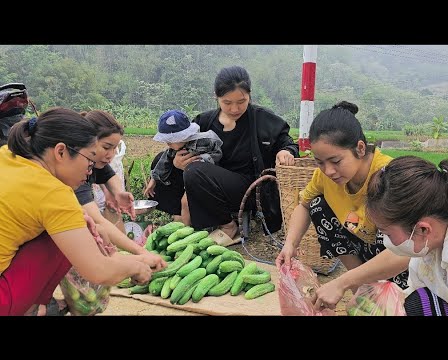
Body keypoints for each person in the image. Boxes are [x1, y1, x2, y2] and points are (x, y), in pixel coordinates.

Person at [0, 107, 154, 316]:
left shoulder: (8, 155)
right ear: (61, 151)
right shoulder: (54, 193)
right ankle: (32, 309)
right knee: (70, 236)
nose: (90, 171)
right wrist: (136, 266)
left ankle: (38, 306)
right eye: (89, 160)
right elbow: (98, 271)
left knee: (72, 228)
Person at [312, 156, 448, 316]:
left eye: (387, 233)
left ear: (423, 229)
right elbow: (418, 292)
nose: (386, 242)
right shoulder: (431, 239)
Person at [148, 65, 299, 241]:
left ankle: (227, 225)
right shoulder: (204, 121)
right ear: (216, 97)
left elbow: (288, 143)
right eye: (227, 102)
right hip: (206, 184)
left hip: (246, 188)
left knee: (195, 170)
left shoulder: (262, 119)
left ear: (249, 95)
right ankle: (180, 218)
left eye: (242, 102)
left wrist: (285, 151)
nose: (235, 109)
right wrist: (177, 164)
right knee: (162, 161)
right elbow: (178, 147)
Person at [275, 101, 409, 289]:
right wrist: (290, 244)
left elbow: (407, 250)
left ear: (360, 149)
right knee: (317, 206)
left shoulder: (390, 176)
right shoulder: (324, 175)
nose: (328, 171)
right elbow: (303, 206)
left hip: (400, 257)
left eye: (335, 161)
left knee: (385, 219)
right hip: (363, 242)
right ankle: (363, 288)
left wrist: (341, 283)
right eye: (320, 162)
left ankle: (383, 288)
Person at [76, 110, 167, 269]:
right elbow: (97, 220)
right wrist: (141, 253)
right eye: (106, 147)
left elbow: (109, 176)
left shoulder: (94, 161)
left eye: (115, 149)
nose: (111, 155)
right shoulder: (77, 171)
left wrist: (118, 193)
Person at [144, 109, 223, 225]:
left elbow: (217, 154)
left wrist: (201, 161)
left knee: (186, 203)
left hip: (204, 181)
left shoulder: (203, 143)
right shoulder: (174, 149)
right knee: (184, 202)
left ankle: (186, 231)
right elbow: (163, 162)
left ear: (183, 136)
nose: (168, 144)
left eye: (170, 141)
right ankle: (180, 223)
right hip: (187, 180)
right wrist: (154, 179)